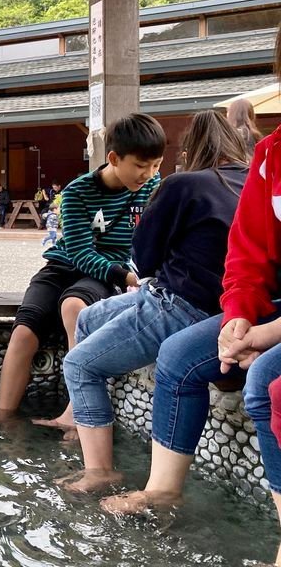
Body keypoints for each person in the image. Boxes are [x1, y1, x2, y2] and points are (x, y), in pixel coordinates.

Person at [103, 32, 281, 543]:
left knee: (268, 379)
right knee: (179, 354)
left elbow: (144, 258)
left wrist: (265, 334)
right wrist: (239, 318)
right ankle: (162, 489)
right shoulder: (267, 158)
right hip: (258, 308)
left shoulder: (180, 185)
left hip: (254, 321)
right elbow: (246, 257)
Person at [55, 111, 247, 493]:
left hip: (180, 303)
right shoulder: (251, 181)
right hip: (223, 304)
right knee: (89, 318)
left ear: (189, 151)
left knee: (78, 365)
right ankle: (87, 414)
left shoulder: (182, 185)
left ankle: (99, 471)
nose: (150, 172)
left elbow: (144, 260)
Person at [0, 113, 164, 433]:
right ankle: (2, 416)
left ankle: (77, 412)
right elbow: (80, 253)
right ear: (114, 158)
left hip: (108, 273)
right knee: (24, 330)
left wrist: (134, 274)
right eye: (141, 166)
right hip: (67, 264)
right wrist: (128, 278)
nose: (149, 174)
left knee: (73, 306)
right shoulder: (77, 193)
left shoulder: (153, 186)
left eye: (156, 165)